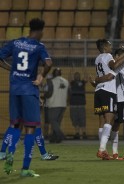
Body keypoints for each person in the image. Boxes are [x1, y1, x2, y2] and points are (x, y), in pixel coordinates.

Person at [0, 18, 53, 177]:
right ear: (40, 31)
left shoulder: (15, 42)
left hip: (14, 89)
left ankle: (9, 153)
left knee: (16, 125)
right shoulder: (38, 47)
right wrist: (41, 77)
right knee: (31, 128)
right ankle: (25, 168)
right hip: (29, 90)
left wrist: (11, 68)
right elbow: (49, 63)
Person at [93, 39, 124, 160]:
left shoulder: (97, 58)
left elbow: (102, 75)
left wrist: (97, 80)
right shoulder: (108, 56)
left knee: (103, 121)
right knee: (110, 119)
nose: (110, 47)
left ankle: (105, 151)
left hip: (99, 90)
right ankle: (102, 149)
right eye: (109, 45)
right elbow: (113, 66)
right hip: (108, 90)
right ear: (104, 48)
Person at [45, 68, 69, 143]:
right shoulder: (66, 81)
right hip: (63, 104)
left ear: (53, 74)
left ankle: (60, 135)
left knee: (52, 120)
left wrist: (46, 96)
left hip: (54, 103)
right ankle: (54, 138)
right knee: (57, 122)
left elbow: (49, 93)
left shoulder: (51, 81)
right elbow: (70, 92)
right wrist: (67, 101)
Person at [68, 70, 87, 140]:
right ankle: (77, 133)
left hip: (81, 105)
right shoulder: (72, 83)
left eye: (78, 75)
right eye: (75, 75)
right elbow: (69, 79)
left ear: (79, 76)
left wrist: (84, 69)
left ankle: (84, 133)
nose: (77, 76)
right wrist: (71, 70)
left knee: (82, 119)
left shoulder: (82, 82)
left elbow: (86, 78)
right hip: (73, 104)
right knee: (74, 119)